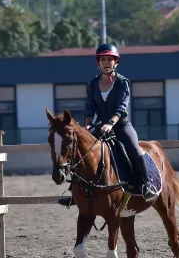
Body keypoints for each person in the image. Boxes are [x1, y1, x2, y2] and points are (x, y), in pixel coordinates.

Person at [58, 42, 159, 207]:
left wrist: (111, 123)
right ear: (98, 62)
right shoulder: (93, 83)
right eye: (103, 60)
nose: (106, 63)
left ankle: (147, 184)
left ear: (115, 62)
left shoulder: (122, 82)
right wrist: (88, 124)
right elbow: (90, 106)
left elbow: (121, 107)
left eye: (109, 60)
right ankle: (74, 192)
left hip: (121, 125)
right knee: (81, 150)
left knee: (134, 149)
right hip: (100, 126)